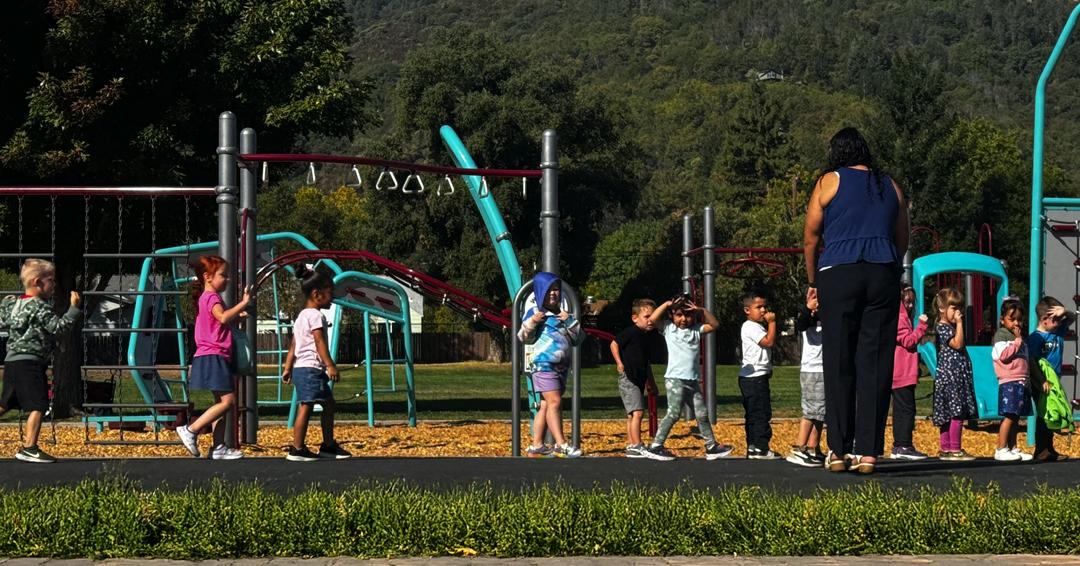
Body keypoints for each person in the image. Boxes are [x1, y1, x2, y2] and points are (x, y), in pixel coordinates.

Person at [803, 127, 906, 474]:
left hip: (838, 272)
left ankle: (837, 449)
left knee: (838, 359)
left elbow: (810, 238)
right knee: (875, 363)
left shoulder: (828, 181)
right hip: (882, 272)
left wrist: (812, 281)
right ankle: (869, 452)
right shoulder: (890, 185)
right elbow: (902, 237)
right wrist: (889, 269)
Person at [0, 259, 80, 463]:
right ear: (37, 282)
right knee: (39, 405)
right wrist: (73, 309)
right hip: (30, 363)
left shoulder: (15, 304)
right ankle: (29, 448)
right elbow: (59, 328)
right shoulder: (40, 307)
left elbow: (4, 320)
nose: (54, 285)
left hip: (12, 362)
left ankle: (29, 447)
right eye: (50, 280)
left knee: (6, 403)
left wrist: (5, 304)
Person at [642, 294, 734, 461]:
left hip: (692, 381)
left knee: (702, 413)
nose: (683, 319)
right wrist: (668, 303)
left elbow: (714, 324)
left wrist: (701, 310)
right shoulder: (669, 328)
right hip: (675, 379)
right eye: (679, 315)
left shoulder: (696, 330)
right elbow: (654, 318)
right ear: (672, 315)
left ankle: (711, 446)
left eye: (688, 315)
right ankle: (656, 445)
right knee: (673, 413)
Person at [176, 256, 250, 460]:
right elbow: (223, 317)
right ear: (207, 277)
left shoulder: (206, 298)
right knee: (228, 401)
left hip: (213, 355)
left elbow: (220, 323)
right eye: (223, 275)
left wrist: (236, 316)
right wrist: (242, 304)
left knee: (222, 404)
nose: (227, 279)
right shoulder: (212, 298)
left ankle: (218, 447)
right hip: (213, 355)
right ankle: (191, 430)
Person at [281, 265, 351, 462]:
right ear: (316, 294)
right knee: (307, 406)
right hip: (311, 368)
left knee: (328, 404)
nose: (333, 296)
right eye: (330, 292)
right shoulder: (315, 316)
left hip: (303, 368)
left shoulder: (301, 316)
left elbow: (294, 344)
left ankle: (328, 445)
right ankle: (297, 448)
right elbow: (319, 342)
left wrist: (287, 367)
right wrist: (330, 365)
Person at [519, 272, 585, 458]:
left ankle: (537, 444)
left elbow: (579, 338)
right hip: (543, 364)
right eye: (549, 291)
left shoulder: (563, 315)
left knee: (546, 405)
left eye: (556, 290)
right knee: (555, 402)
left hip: (561, 367)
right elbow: (523, 336)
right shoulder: (535, 314)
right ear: (541, 293)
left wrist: (570, 321)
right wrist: (533, 321)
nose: (554, 294)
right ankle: (561, 444)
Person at [931, 287, 977, 462]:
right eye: (953, 308)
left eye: (960, 308)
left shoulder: (947, 326)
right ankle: (954, 449)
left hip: (953, 377)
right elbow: (957, 344)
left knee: (949, 413)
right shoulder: (943, 328)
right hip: (950, 378)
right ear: (942, 308)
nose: (958, 312)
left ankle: (946, 448)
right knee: (955, 413)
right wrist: (959, 324)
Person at [1027, 296, 1075, 462]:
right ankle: (1041, 449)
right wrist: (1040, 381)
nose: (1060, 322)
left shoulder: (1058, 331)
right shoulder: (1035, 338)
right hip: (1041, 382)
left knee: (1051, 413)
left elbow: (1073, 317)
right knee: (1044, 414)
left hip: (1053, 381)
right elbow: (1032, 361)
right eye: (1055, 319)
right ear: (1044, 319)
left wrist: (1064, 312)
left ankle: (1049, 448)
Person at [610, 298, 657, 458]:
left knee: (632, 414)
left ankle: (632, 444)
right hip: (629, 376)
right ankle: (637, 444)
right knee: (637, 412)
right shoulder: (631, 332)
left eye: (653, 317)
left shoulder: (646, 337)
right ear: (635, 318)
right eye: (646, 317)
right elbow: (614, 344)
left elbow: (646, 362)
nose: (650, 320)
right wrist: (619, 363)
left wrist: (651, 382)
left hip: (639, 378)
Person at [890, 286, 930, 460]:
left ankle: (899, 445)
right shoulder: (900, 318)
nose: (911, 305)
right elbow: (907, 340)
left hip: (900, 371)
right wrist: (922, 326)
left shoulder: (899, 316)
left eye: (912, 301)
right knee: (906, 410)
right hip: (902, 372)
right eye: (907, 301)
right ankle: (904, 445)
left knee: (900, 410)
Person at [739, 291, 780, 459]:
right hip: (754, 378)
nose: (763, 310)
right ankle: (761, 447)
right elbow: (768, 342)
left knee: (753, 413)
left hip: (756, 375)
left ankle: (753, 445)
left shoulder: (755, 326)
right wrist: (772, 323)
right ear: (747, 310)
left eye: (764, 306)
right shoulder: (750, 326)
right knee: (761, 413)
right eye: (759, 307)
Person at [992, 298, 1033, 462]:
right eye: (1012, 319)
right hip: (1010, 381)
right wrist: (1017, 341)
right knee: (1009, 415)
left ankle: (1013, 447)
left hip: (1021, 380)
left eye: (1019, 319)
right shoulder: (1002, 335)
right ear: (1003, 320)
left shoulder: (1020, 337)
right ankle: (1001, 448)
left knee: (1016, 417)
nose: (1016, 323)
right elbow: (1004, 356)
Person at [787, 292, 825, 467]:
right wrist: (808, 308)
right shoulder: (807, 319)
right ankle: (799, 447)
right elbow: (801, 324)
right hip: (812, 370)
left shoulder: (828, 316)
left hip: (824, 369)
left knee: (821, 412)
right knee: (811, 410)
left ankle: (813, 447)